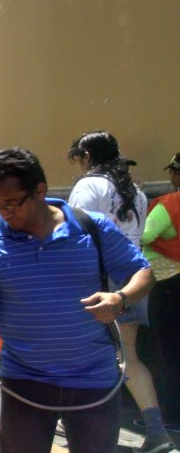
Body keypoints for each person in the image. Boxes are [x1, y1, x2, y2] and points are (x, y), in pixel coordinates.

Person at [0, 147, 155, 453]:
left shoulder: (91, 228)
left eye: (12, 203)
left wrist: (120, 298)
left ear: (40, 191)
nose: (5, 213)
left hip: (93, 381)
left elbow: (143, 273)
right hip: (24, 383)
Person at [67, 132, 175, 453]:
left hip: (100, 280)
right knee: (127, 356)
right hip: (134, 278)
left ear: (87, 155)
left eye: (78, 157)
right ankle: (156, 431)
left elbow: (74, 232)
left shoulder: (89, 186)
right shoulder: (137, 191)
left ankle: (90, 427)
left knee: (88, 356)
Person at [142, 152, 180, 436]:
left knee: (168, 353)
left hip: (169, 285)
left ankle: (172, 417)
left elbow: (143, 236)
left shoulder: (168, 204)